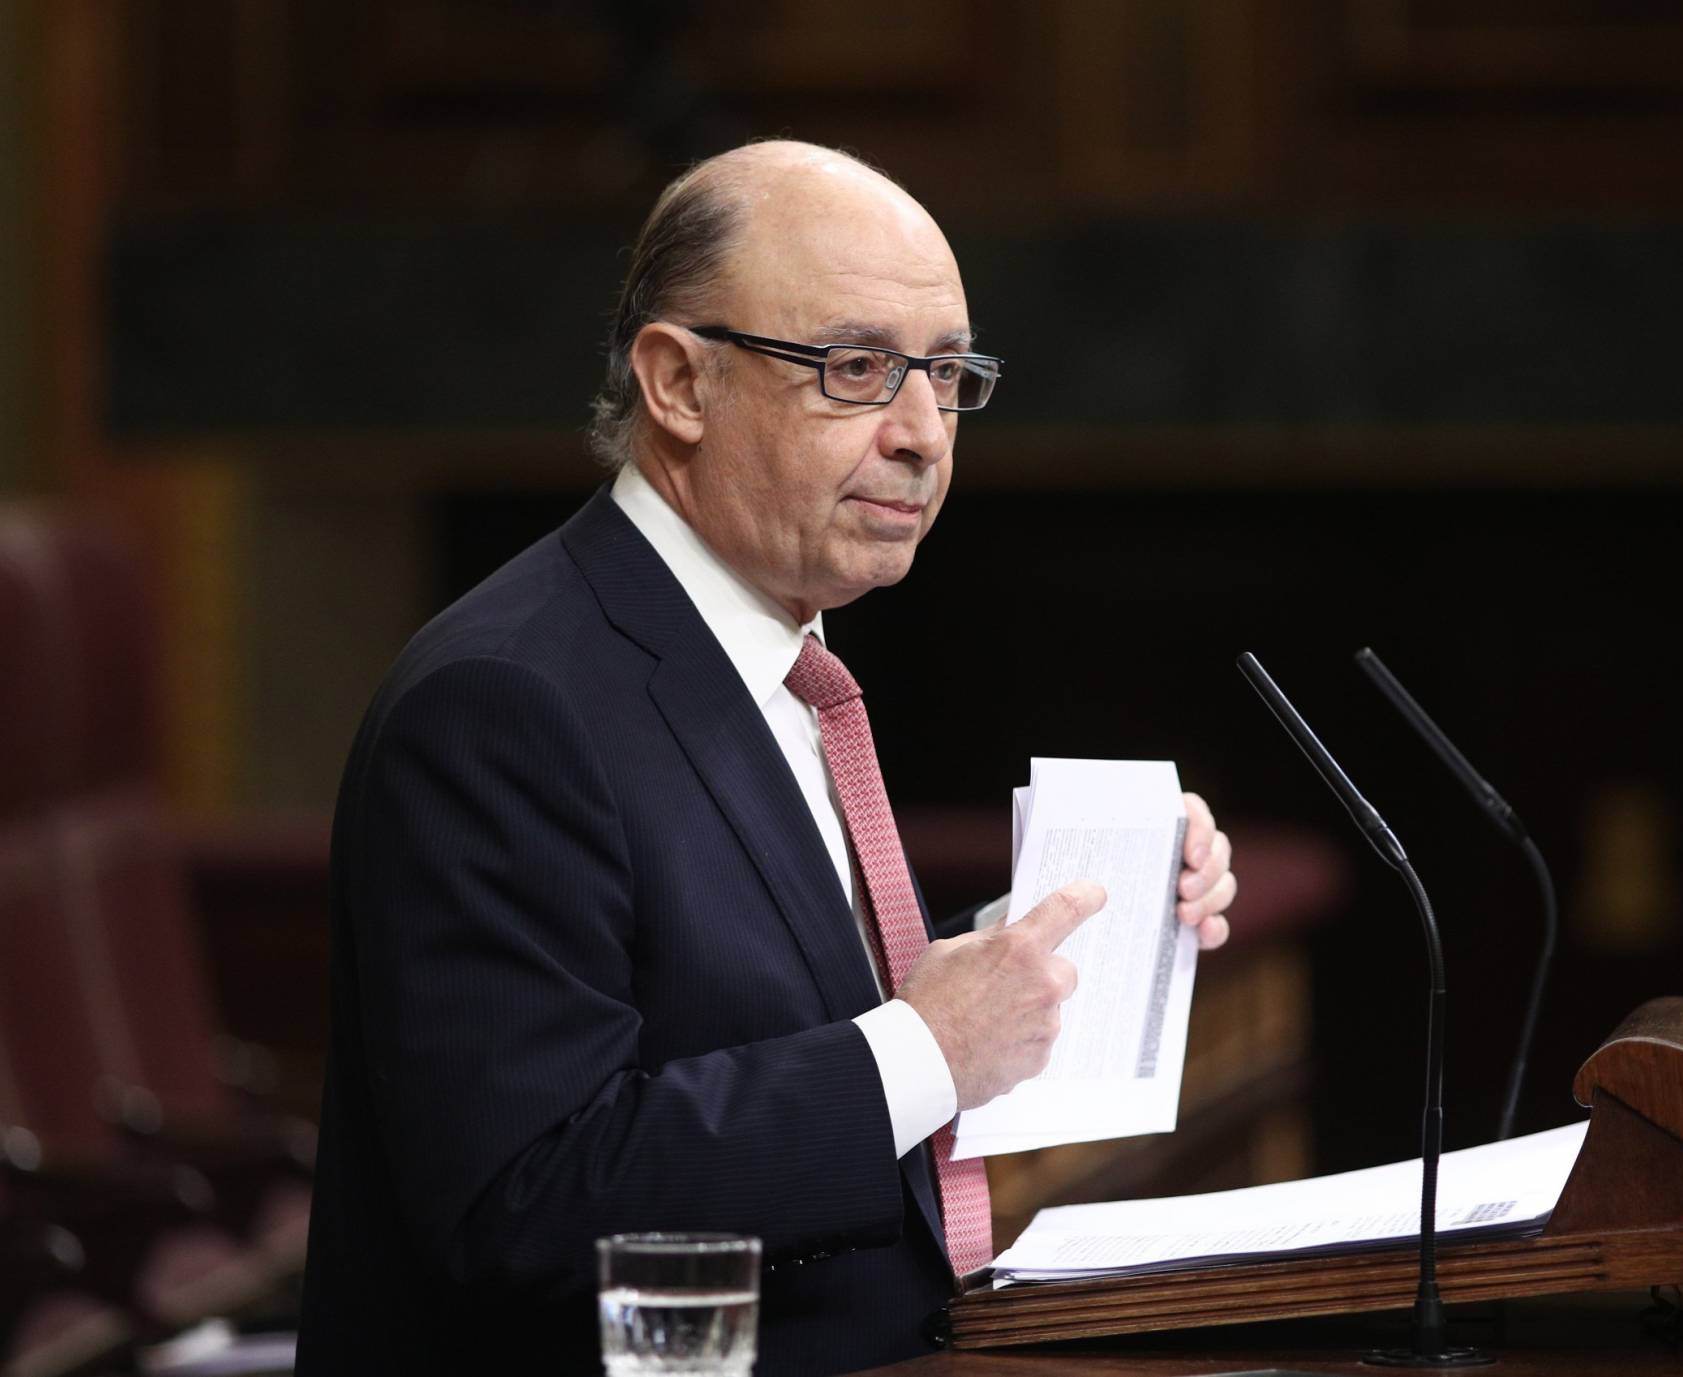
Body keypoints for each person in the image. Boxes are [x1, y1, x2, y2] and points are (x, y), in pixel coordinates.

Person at [295, 140, 1237, 1377]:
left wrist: (1034, 951)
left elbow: (737, 998)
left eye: (947, 376)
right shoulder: (502, 702)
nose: (921, 434)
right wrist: (926, 1048)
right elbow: (521, 1198)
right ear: (680, 383)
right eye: (857, 368)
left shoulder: (770, 653)